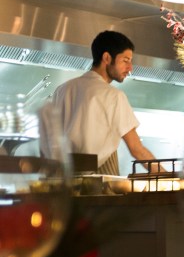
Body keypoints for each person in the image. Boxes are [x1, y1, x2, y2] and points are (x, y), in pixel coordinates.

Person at [45, 30, 159, 175]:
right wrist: (169, 178)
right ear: (106, 57)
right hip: (96, 187)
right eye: (125, 60)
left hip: (62, 182)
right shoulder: (114, 96)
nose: (130, 68)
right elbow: (137, 150)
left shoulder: (62, 90)